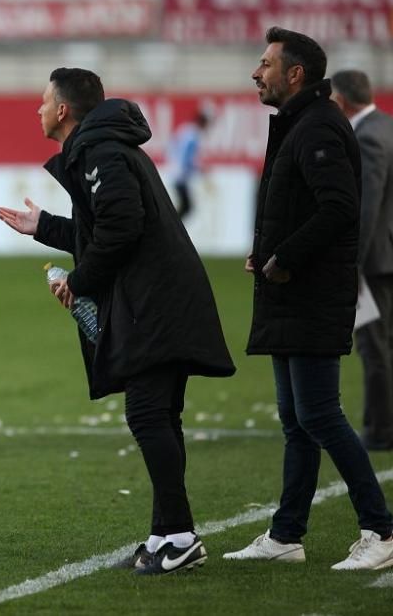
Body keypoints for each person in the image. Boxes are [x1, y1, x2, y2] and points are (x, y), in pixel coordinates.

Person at [0, 68, 235, 576]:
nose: (37, 110)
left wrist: (79, 281)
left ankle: (182, 536)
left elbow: (122, 227)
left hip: (156, 302)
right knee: (160, 415)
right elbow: (103, 227)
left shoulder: (100, 151)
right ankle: (166, 533)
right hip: (162, 297)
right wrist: (43, 227)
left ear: (63, 110)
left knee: (148, 416)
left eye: (43, 102)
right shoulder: (103, 146)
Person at [224, 28, 393, 570]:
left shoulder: (319, 126)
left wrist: (285, 257)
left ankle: (382, 530)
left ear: (295, 74)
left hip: (310, 293)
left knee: (319, 415)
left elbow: (339, 207)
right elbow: (300, 206)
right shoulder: (301, 124)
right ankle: (286, 536)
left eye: (265, 64)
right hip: (289, 294)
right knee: (298, 420)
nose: (256, 72)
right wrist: (267, 252)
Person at [331, 69, 393, 452]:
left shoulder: (367, 137)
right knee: (386, 343)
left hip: (373, 260)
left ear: (341, 100)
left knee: (373, 346)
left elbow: (367, 208)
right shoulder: (386, 126)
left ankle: (381, 429)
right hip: (387, 254)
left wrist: (351, 264)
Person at [166, 110, 210, 220]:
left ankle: (173, 229)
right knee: (187, 206)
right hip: (180, 175)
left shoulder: (185, 130)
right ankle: (172, 230)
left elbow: (172, 147)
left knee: (185, 206)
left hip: (176, 173)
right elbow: (187, 157)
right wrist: (199, 168)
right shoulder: (193, 135)